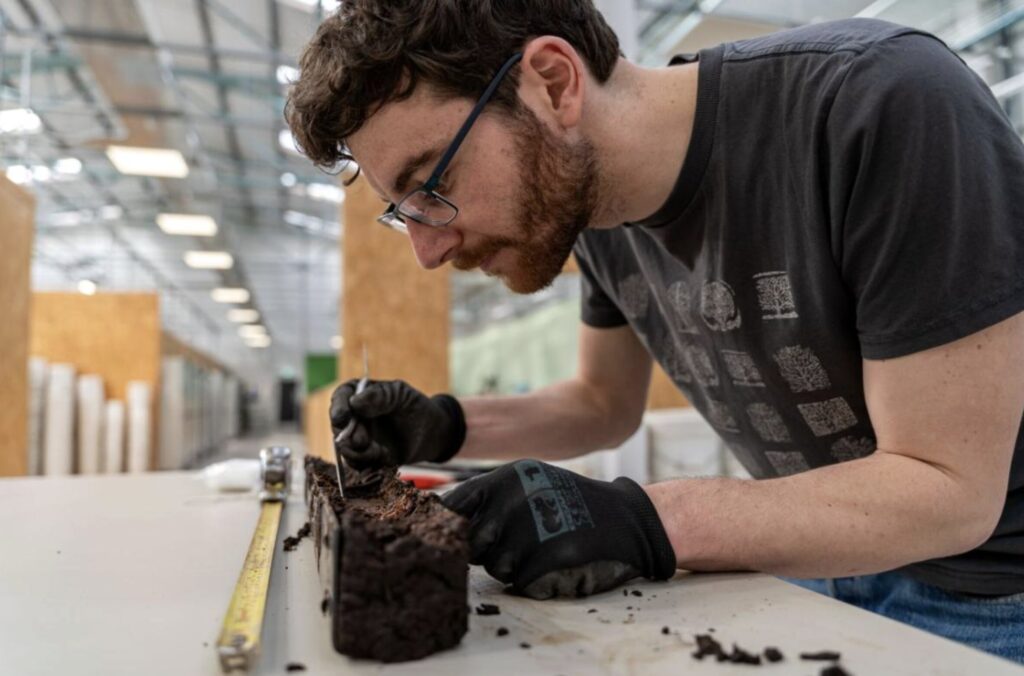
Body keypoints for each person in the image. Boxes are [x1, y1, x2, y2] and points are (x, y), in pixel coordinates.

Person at [285, 0, 1024, 661]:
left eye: (433, 184)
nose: (427, 251)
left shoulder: (876, 101)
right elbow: (601, 404)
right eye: (405, 212)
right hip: (816, 561)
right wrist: (444, 426)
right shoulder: (589, 209)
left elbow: (950, 490)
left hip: (993, 593)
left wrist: (644, 518)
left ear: (552, 83)